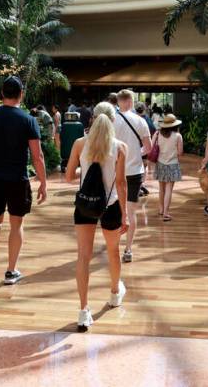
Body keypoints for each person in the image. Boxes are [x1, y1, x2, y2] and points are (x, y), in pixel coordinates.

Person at [0, 76, 47, 289]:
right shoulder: (28, 120)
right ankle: (11, 270)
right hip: (16, 179)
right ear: (21, 94)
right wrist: (43, 182)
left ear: (2, 94)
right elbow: (37, 155)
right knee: (17, 224)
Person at [65, 102, 129, 331]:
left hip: (84, 204)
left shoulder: (80, 144)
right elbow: (121, 184)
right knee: (113, 251)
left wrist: (86, 168)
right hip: (110, 205)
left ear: (92, 118)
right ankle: (114, 293)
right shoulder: (120, 147)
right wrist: (126, 215)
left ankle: (83, 311)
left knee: (83, 256)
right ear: (113, 120)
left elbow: (69, 177)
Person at [114, 89, 152, 263]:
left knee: (114, 209)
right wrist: (136, 152)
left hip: (115, 171)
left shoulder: (111, 120)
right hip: (135, 171)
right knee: (130, 211)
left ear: (119, 101)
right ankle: (128, 249)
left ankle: (113, 244)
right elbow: (149, 148)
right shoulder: (140, 121)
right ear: (131, 101)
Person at [152, 114, 184, 222]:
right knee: (169, 189)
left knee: (161, 188)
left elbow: (152, 147)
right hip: (173, 163)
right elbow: (180, 152)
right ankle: (166, 213)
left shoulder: (157, 134)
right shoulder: (178, 136)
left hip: (160, 163)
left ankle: (161, 209)